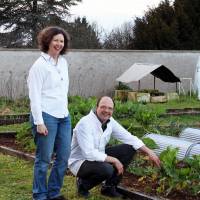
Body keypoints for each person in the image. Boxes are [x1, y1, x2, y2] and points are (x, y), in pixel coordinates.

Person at [68, 96, 160, 198]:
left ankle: (109, 187)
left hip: (98, 155)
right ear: (96, 107)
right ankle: (83, 185)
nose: (106, 110)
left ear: (113, 110)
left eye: (110, 108)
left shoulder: (110, 121)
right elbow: (89, 153)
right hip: (81, 161)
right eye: (103, 107)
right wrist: (114, 160)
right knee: (107, 169)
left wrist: (149, 151)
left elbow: (128, 137)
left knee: (129, 148)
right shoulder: (85, 123)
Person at [27, 26, 71, 200]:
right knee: (44, 159)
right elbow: (35, 96)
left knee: (63, 157)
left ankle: (54, 193)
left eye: (62, 41)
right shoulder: (39, 66)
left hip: (64, 117)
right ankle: (39, 194)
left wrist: (65, 110)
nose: (59, 44)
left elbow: (63, 90)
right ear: (47, 41)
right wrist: (39, 121)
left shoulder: (63, 62)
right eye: (56, 40)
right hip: (46, 116)